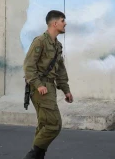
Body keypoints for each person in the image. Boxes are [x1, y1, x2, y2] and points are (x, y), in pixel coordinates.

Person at [22, 10, 73, 159]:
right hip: (40, 89)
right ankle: (33, 155)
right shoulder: (40, 41)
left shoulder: (57, 45)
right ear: (54, 23)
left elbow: (61, 70)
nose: (65, 24)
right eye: (63, 21)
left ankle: (38, 155)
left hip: (49, 87)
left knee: (45, 125)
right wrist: (38, 85)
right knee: (54, 125)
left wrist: (66, 90)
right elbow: (28, 66)